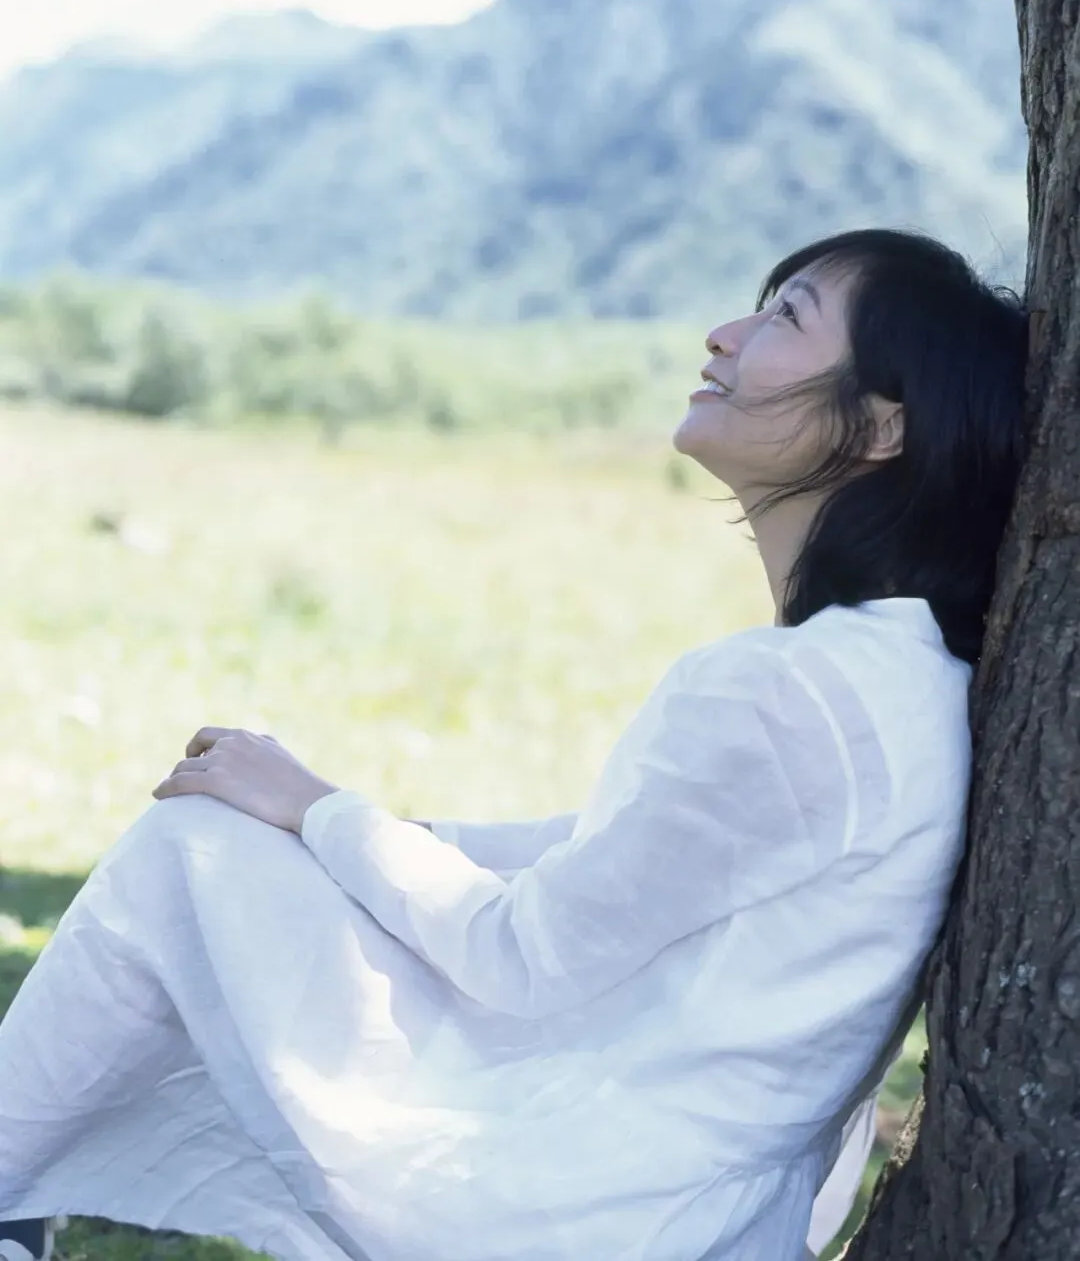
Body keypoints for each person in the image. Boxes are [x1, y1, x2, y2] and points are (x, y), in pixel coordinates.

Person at [0, 229, 1027, 1261]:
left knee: (190, 850)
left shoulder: (793, 691)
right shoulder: (897, 677)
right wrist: (340, 829)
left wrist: (318, 811)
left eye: (785, 316)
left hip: (590, 1216)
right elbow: (601, 851)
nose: (725, 334)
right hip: (705, 1215)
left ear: (882, 425)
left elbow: (524, 951)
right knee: (249, 846)